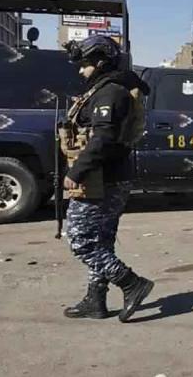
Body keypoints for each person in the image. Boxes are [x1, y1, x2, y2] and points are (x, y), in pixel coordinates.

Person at [60, 36, 154, 323]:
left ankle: (131, 283)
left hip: (102, 179)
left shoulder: (111, 93)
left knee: (80, 240)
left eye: (85, 64)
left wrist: (76, 172)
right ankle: (95, 299)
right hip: (107, 177)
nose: (80, 70)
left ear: (100, 62)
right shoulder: (105, 90)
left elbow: (103, 138)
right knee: (101, 241)